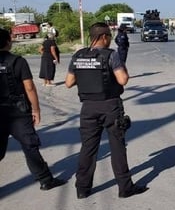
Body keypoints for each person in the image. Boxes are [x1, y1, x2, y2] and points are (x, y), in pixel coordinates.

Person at [65, 22, 147, 199]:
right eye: (109, 36)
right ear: (103, 37)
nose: (110, 40)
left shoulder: (78, 55)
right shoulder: (111, 55)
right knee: (117, 147)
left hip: (87, 108)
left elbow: (69, 82)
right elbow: (123, 79)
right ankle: (125, 188)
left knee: (88, 148)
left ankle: (82, 188)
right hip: (110, 106)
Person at [0, 28, 66, 190]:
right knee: (30, 146)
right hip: (18, 112)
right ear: (8, 42)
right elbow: (29, 87)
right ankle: (45, 180)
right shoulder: (17, 61)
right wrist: (36, 110)